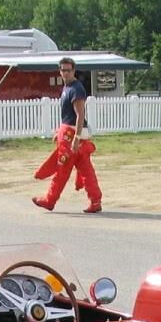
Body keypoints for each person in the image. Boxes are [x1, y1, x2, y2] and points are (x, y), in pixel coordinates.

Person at [32, 56, 102, 214]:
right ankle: (95, 200)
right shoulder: (67, 88)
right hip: (72, 136)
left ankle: (50, 200)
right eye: (63, 70)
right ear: (59, 71)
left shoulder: (76, 89)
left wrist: (76, 137)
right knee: (87, 171)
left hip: (73, 138)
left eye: (68, 70)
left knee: (62, 171)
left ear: (74, 71)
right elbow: (68, 115)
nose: (65, 73)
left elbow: (80, 114)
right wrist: (59, 132)